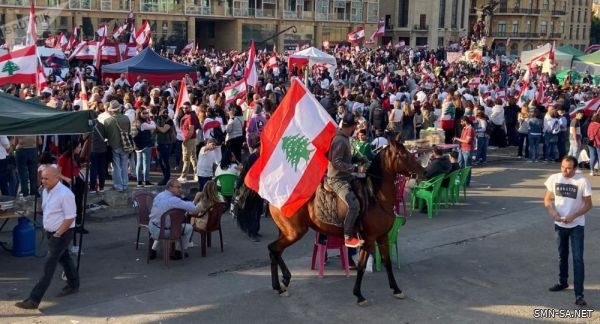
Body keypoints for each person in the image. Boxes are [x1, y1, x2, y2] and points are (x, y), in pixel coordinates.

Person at [15, 167, 79, 310]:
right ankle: (74, 284)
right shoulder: (45, 191)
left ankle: (34, 299)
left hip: (62, 233)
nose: (43, 181)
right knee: (65, 258)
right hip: (52, 232)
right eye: (42, 178)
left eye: (46, 178)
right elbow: (48, 210)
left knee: (48, 266)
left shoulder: (65, 194)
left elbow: (70, 217)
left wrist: (57, 234)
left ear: (57, 178)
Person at [544, 156, 592, 307]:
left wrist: (574, 216)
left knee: (578, 259)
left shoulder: (582, 181)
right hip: (560, 225)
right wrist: (551, 212)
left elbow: (588, 204)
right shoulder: (554, 178)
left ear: (575, 168)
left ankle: (579, 294)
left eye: (569, 168)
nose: (565, 170)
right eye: (563, 167)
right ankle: (562, 282)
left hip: (576, 225)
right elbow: (547, 199)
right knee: (561, 255)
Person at [327, 113, 363, 248]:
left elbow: (345, 159)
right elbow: (336, 162)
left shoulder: (345, 138)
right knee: (354, 205)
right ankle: (348, 236)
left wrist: (358, 159)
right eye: (355, 126)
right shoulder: (340, 141)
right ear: (352, 126)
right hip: (337, 179)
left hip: (346, 176)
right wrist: (355, 168)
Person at [148, 179, 198, 260]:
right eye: (178, 187)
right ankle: (178, 252)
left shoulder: (159, 195)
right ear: (170, 187)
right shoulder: (174, 200)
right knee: (188, 228)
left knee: (164, 223)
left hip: (152, 228)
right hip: (163, 232)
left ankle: (153, 249)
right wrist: (183, 196)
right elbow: (193, 208)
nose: (180, 189)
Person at [103, 100, 131, 192]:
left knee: (116, 167)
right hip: (125, 145)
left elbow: (105, 135)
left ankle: (118, 185)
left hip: (114, 145)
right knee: (124, 165)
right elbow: (129, 131)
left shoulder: (107, 121)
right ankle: (125, 184)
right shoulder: (126, 119)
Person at [131, 109, 156, 187]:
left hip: (137, 146)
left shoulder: (134, 122)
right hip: (145, 145)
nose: (146, 114)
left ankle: (139, 182)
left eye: (147, 113)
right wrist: (151, 119)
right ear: (139, 113)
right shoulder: (143, 124)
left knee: (138, 163)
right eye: (144, 113)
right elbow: (154, 126)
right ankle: (146, 181)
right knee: (146, 163)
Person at [178, 102, 199, 183]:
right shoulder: (190, 115)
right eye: (183, 108)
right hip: (191, 139)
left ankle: (184, 176)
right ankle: (196, 174)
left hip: (189, 139)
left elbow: (191, 130)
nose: (184, 109)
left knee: (186, 158)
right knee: (193, 157)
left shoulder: (190, 116)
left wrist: (185, 140)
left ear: (190, 107)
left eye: (186, 108)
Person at [155, 108, 175, 186]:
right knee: (160, 160)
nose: (165, 114)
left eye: (167, 112)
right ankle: (165, 177)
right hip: (160, 143)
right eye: (163, 112)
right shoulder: (159, 120)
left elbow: (163, 130)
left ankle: (167, 178)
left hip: (167, 143)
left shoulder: (169, 121)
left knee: (165, 161)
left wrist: (156, 125)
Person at [453, 116, 474, 185]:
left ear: (465, 121)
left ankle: (466, 182)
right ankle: (460, 180)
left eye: (462, 122)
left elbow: (467, 141)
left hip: (467, 150)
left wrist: (457, 139)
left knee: (467, 166)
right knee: (459, 165)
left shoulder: (470, 129)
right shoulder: (464, 128)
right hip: (461, 149)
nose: (461, 123)